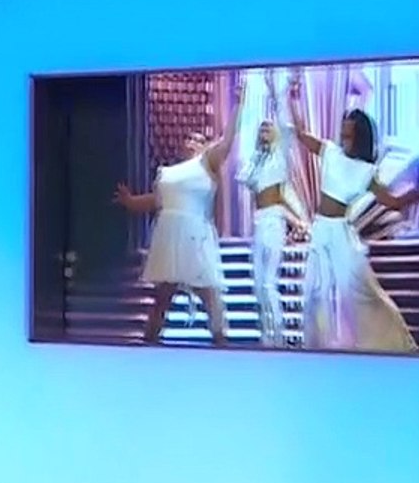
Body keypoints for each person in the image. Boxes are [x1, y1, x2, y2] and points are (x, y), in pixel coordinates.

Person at [277, 81, 419, 352]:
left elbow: (393, 201)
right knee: (315, 292)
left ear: (359, 136)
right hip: (321, 231)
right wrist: (292, 98)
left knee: (361, 292)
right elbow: (301, 134)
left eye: (349, 134)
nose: (344, 138)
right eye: (343, 132)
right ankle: (317, 348)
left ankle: (390, 342)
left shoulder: (365, 171)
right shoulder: (330, 151)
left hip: (341, 235)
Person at [112, 80, 243, 346]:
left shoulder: (207, 162)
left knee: (207, 292)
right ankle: (150, 339)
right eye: (189, 138)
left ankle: (221, 340)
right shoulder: (168, 173)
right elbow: (156, 201)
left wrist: (238, 105)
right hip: (169, 235)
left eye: (199, 139)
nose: (193, 142)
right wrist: (130, 201)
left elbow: (227, 141)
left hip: (193, 234)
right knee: (163, 294)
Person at [238, 115, 305, 348]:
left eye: (268, 128)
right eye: (261, 128)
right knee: (258, 283)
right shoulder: (257, 159)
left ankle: (278, 335)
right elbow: (245, 178)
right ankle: (266, 334)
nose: (263, 131)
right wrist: (259, 152)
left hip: (274, 221)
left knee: (268, 282)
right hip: (260, 222)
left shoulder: (280, 158)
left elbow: (288, 133)